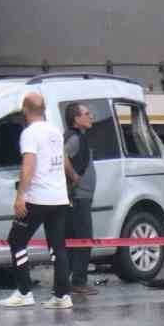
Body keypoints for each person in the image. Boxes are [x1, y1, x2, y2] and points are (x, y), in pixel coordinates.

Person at [0, 91, 73, 310]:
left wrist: (21, 195)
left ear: (25, 110)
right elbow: (61, 161)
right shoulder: (55, 131)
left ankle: (24, 291)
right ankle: (62, 295)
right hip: (59, 198)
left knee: (16, 241)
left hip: (38, 198)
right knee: (58, 247)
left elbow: (29, 165)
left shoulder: (30, 134)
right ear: (43, 109)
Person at [62, 103, 98, 298]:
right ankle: (78, 282)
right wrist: (75, 176)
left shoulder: (78, 137)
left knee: (74, 240)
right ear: (76, 119)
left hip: (80, 197)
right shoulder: (74, 138)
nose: (91, 116)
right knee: (83, 239)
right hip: (78, 197)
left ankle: (65, 280)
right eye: (87, 114)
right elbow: (61, 156)